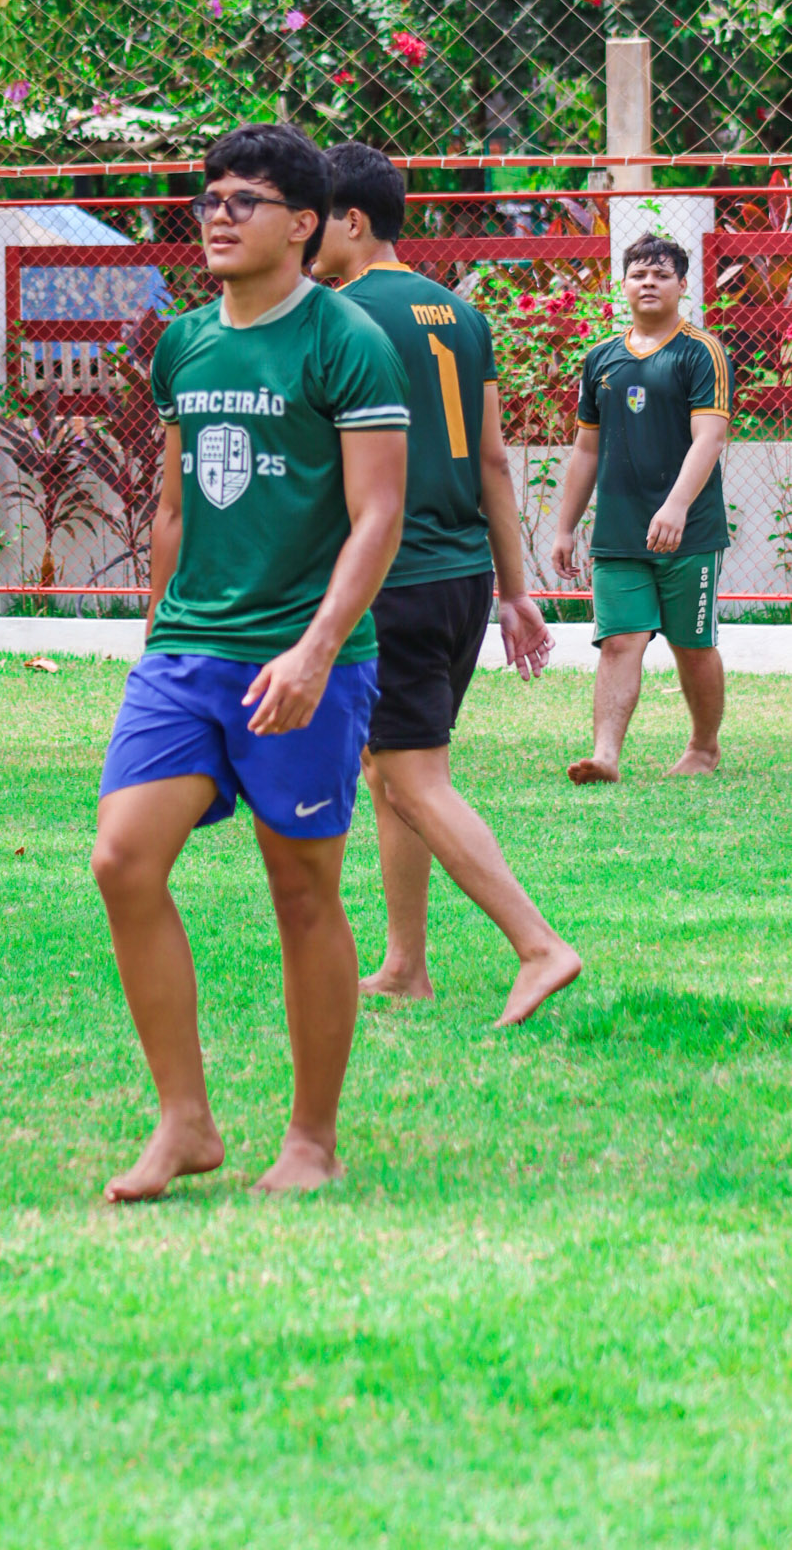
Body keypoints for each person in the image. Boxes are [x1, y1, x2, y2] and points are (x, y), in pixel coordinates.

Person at [92, 122, 410, 1201]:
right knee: (123, 859)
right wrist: (155, 640)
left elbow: (378, 515)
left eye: (245, 200)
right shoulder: (185, 344)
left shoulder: (345, 340)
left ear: (303, 223)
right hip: (189, 649)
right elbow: (175, 507)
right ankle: (184, 1122)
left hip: (308, 657)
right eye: (209, 199)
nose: (218, 216)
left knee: (301, 892)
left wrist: (316, 651)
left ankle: (311, 1140)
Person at [314, 141, 582, 1026]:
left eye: (313, 220)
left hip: (394, 577)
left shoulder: (336, 316)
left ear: (352, 222)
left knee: (411, 775)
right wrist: (513, 590)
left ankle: (537, 946)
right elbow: (494, 463)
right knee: (390, 770)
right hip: (460, 577)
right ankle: (404, 966)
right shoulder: (461, 315)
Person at [552, 232, 732, 783]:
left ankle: (703, 748)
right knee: (619, 641)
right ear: (623, 284)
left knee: (691, 646)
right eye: (638, 274)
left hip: (690, 532)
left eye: (660, 274)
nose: (648, 283)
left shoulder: (700, 352)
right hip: (619, 533)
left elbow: (710, 438)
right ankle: (605, 756)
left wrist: (676, 507)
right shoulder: (601, 359)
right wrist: (564, 528)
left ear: (683, 285)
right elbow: (586, 449)